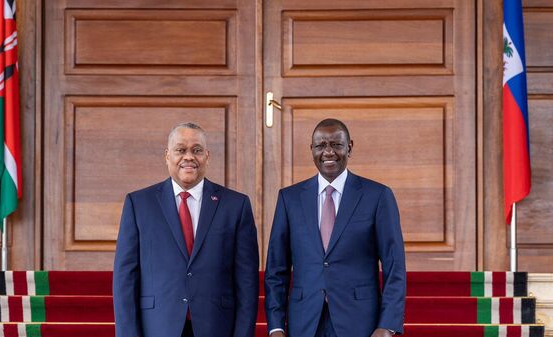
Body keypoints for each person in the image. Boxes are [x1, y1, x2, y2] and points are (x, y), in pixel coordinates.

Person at [113, 122, 259, 337]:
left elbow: (247, 281)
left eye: (197, 150)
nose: (189, 157)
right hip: (157, 326)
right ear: (167, 156)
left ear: (207, 156)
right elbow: (125, 277)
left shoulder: (236, 205)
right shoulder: (139, 204)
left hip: (217, 326)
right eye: (180, 150)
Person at [264, 118, 406, 337]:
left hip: (360, 322)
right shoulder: (289, 199)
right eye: (320, 145)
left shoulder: (378, 196)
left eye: (336, 145)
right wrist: (275, 326)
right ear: (312, 149)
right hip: (304, 322)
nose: (328, 152)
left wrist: (387, 325)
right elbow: (276, 270)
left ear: (349, 148)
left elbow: (394, 267)